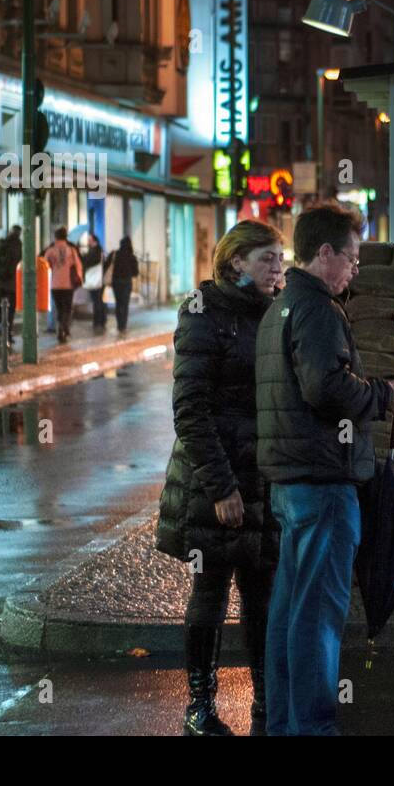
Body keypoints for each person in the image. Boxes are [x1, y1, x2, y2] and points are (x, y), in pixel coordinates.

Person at [255, 203, 394, 736]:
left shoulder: (281, 307)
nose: (353, 270)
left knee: (287, 615)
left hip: (291, 483)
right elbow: (325, 387)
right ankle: (314, 728)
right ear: (323, 253)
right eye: (349, 258)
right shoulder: (318, 309)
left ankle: (285, 724)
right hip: (323, 484)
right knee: (319, 618)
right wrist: (382, 394)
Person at [157, 219, 285, 736]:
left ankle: (266, 699)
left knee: (263, 594)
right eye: (267, 259)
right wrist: (222, 487)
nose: (278, 267)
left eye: (280, 258)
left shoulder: (277, 311)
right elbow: (190, 410)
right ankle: (200, 706)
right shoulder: (202, 314)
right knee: (209, 591)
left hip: (263, 477)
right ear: (236, 262)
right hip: (215, 480)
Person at [42, 227, 83, 343]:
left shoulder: (50, 251)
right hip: (68, 285)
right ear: (66, 237)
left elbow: (45, 266)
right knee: (67, 308)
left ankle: (61, 328)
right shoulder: (71, 250)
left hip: (54, 284)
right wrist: (79, 278)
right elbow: (78, 266)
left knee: (59, 308)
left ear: (55, 237)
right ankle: (64, 327)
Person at [0, 225, 22, 345]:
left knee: (2, 309)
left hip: (1, 283)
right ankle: (8, 335)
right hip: (12, 284)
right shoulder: (18, 245)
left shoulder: (2, 243)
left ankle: (3, 333)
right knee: (10, 311)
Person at [105, 237, 141, 334]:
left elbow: (106, 265)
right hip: (126, 283)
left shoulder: (114, 254)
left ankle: (119, 324)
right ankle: (123, 326)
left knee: (118, 303)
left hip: (116, 282)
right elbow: (136, 273)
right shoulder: (132, 256)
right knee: (125, 304)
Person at [80, 232, 106, 332]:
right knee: (98, 301)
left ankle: (98, 321)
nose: (88, 241)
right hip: (98, 280)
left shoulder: (96, 250)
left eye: (89, 240)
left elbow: (90, 261)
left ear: (94, 240)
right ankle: (101, 320)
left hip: (96, 280)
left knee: (97, 301)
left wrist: (83, 259)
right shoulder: (97, 249)